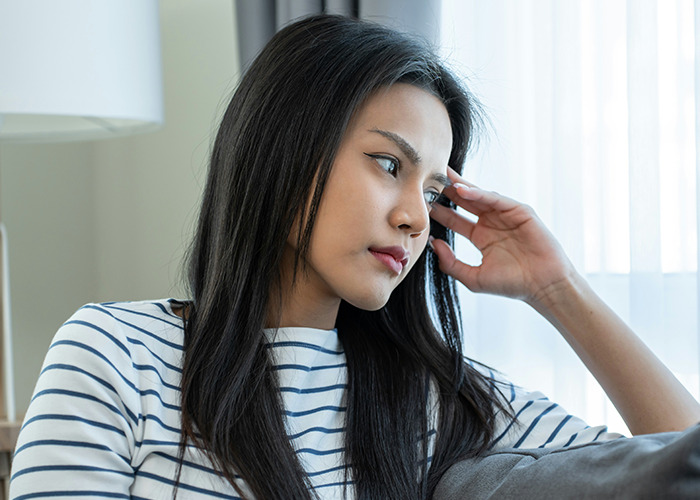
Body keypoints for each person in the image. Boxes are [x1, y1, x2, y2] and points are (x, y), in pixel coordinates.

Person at [9, 14, 700, 500]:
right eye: (385, 163)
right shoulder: (117, 355)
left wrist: (558, 289)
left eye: (433, 189)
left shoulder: (432, 398)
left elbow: (683, 464)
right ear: (285, 149)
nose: (411, 214)